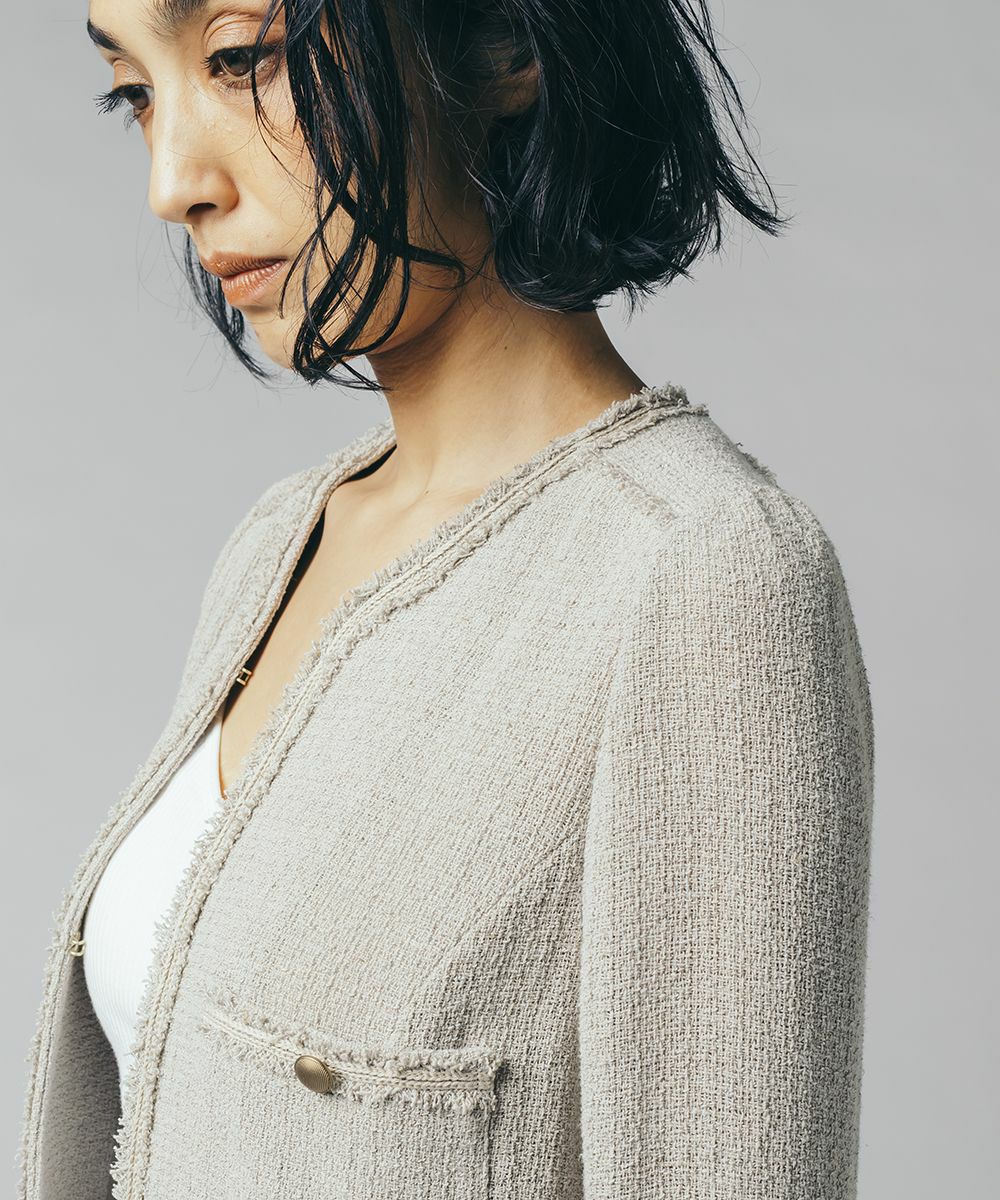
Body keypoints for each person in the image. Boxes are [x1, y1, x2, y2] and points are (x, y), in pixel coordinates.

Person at [16, 2, 875, 1198]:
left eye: (239, 58)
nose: (174, 184)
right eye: (138, 94)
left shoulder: (701, 576)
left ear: (506, 44)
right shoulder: (280, 540)